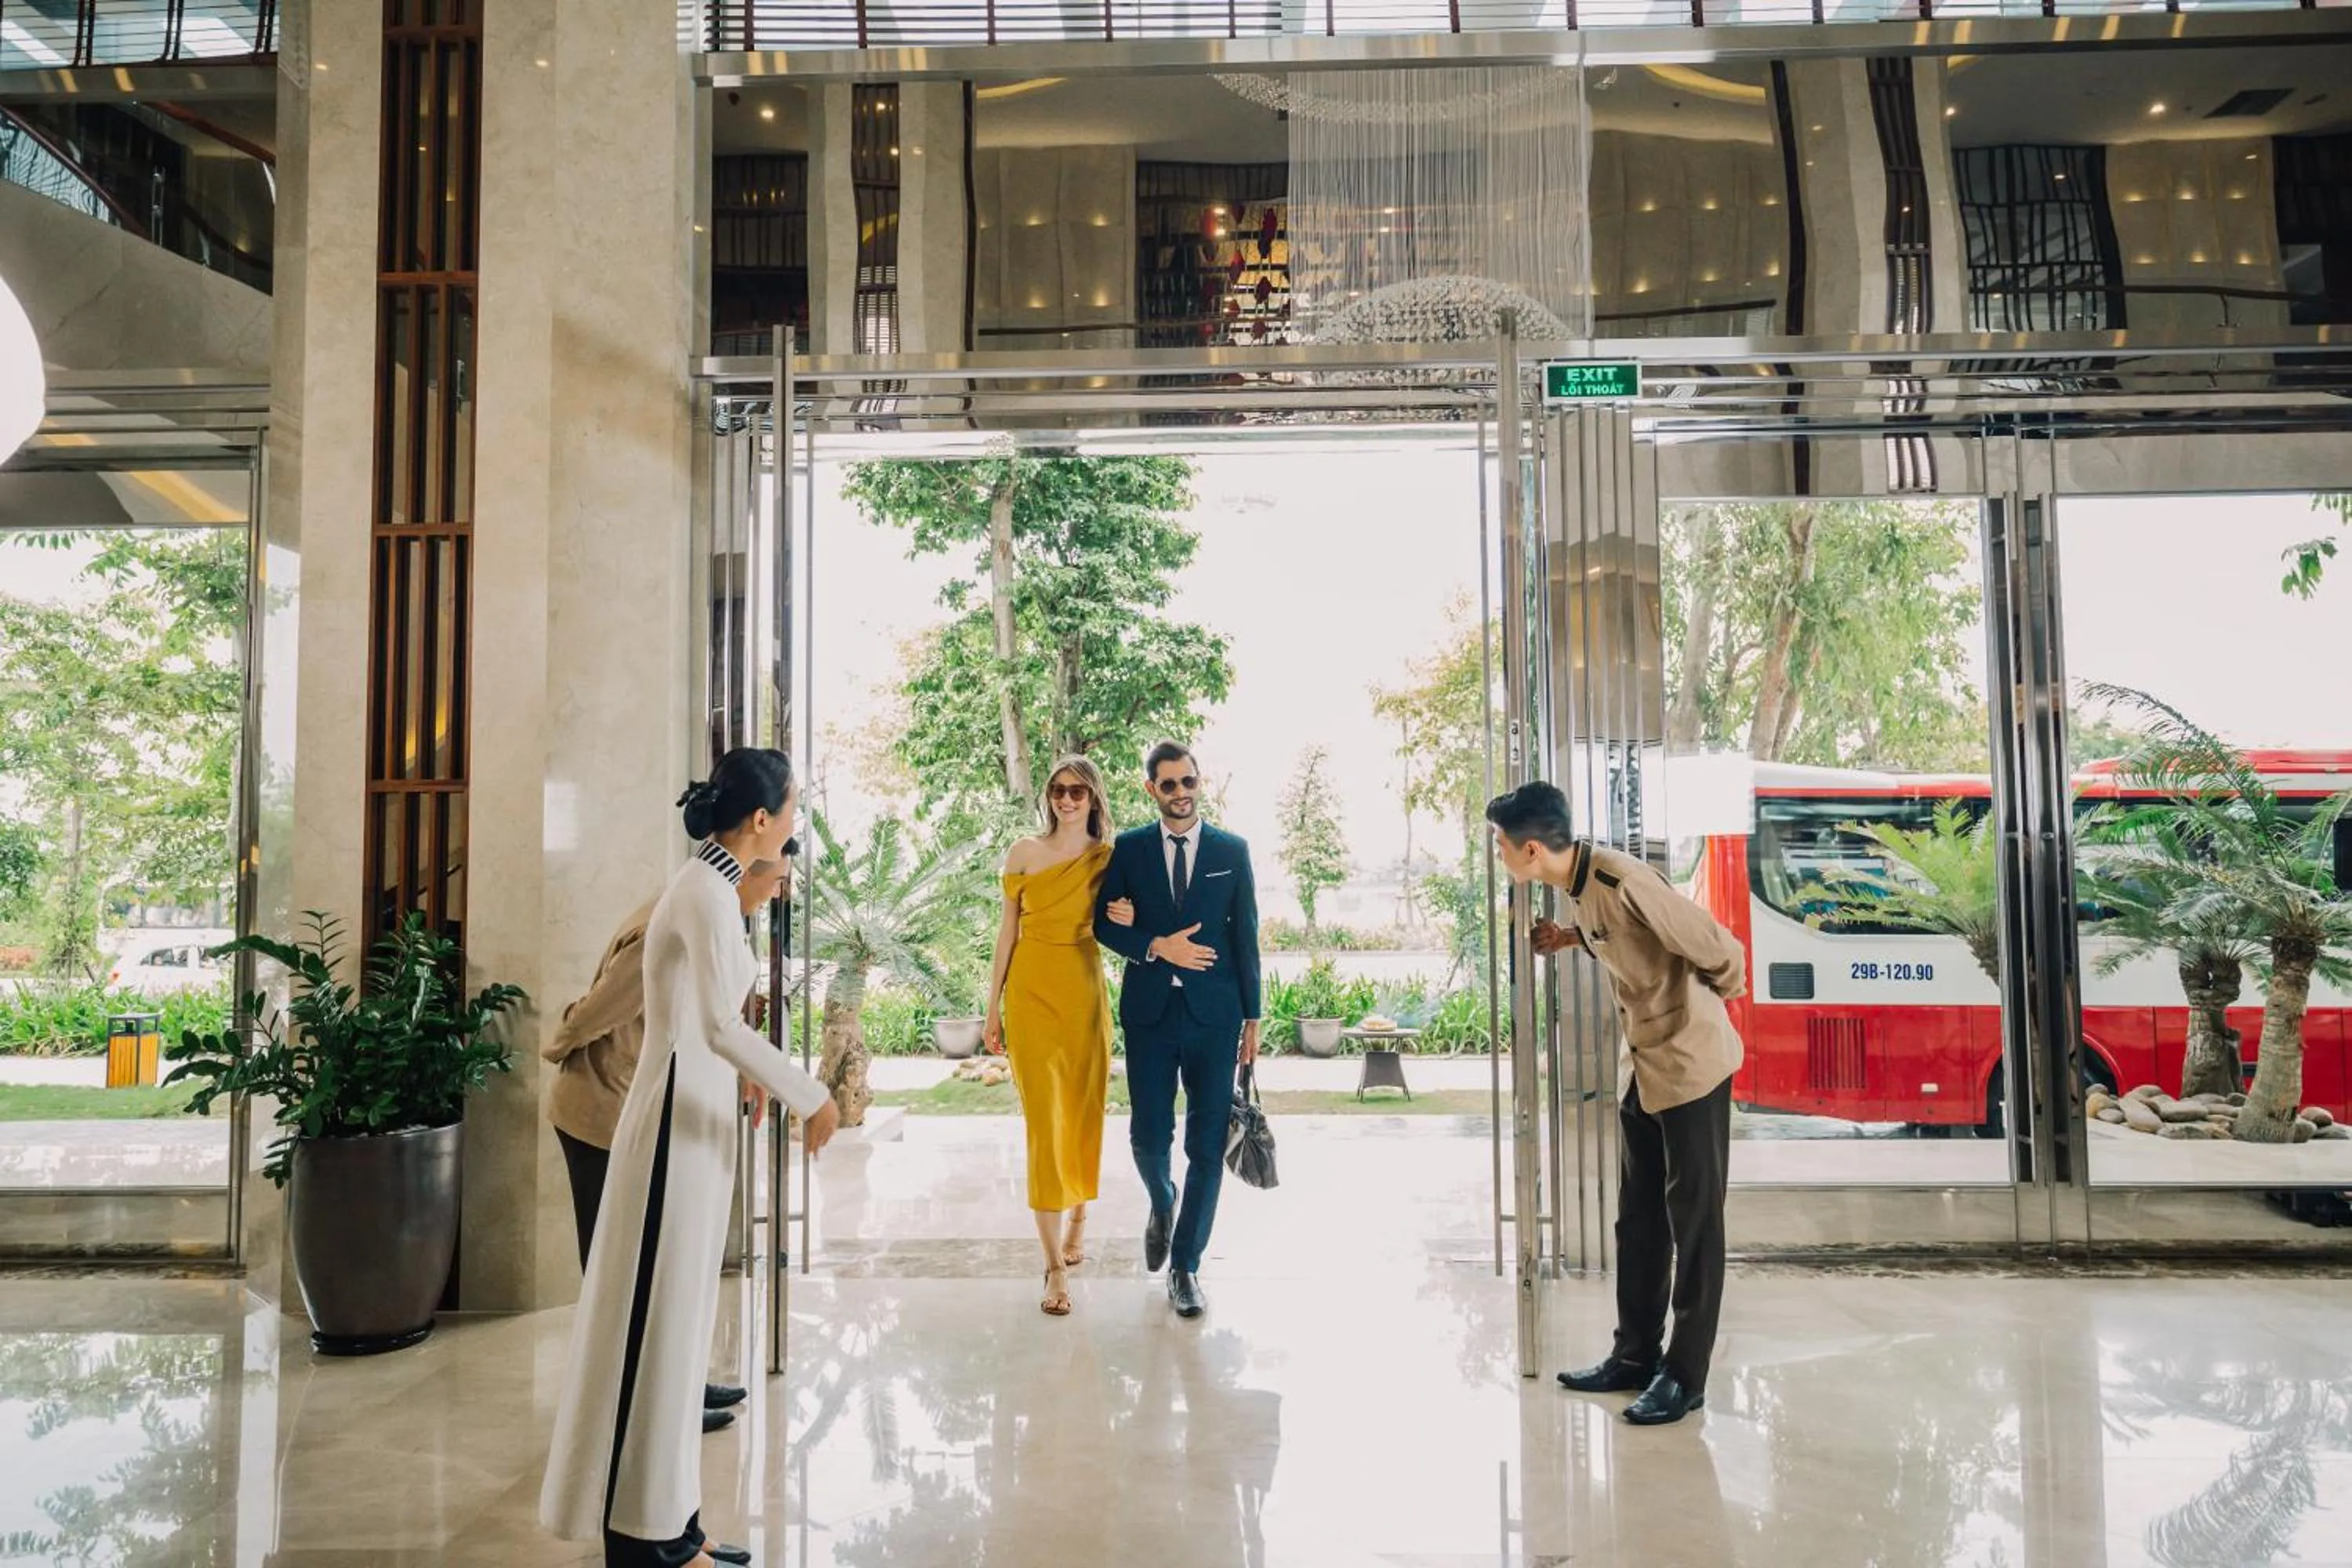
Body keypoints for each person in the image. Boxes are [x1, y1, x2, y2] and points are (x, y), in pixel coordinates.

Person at [543, 748, 842, 1568]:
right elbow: (716, 1025)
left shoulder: (715, 888)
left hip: (696, 1128)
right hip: (672, 1132)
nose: (793, 823)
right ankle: (644, 1539)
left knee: (677, 1337)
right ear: (759, 820)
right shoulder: (705, 893)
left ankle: (676, 1523)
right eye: (791, 809)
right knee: (655, 1334)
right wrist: (808, 1093)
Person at [1486, 779, 1747, 1428]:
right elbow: (1619, 930)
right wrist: (1570, 939)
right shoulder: (1581, 884)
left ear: (1530, 850)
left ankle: (1685, 1379)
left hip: (1691, 1067)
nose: (1498, 854)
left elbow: (1722, 951)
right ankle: (1634, 1357)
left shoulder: (1621, 876)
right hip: (1646, 1069)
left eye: (1501, 844)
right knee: (1638, 1220)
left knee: (1696, 1226)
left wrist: (1703, 1009)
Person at [543, 856, 791, 1436]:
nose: (779, 892)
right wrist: (560, 1043)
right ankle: (629, 1407)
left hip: (641, 1109)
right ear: (747, 872)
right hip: (600, 1113)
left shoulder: (713, 914)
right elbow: (598, 1011)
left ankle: (672, 1388)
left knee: (657, 1265)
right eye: (777, 880)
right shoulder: (674, 916)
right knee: (623, 1269)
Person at [1093, 742, 1262, 1321]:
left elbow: (1246, 939)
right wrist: (1153, 945)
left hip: (1215, 1019)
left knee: (1207, 1146)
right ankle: (1162, 1201)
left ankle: (1186, 1266)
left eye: (1188, 781)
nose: (1181, 792)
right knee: (1148, 1136)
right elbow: (1102, 925)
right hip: (1149, 1018)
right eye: (1168, 785)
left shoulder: (1231, 851)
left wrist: (1254, 1017)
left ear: (1199, 780)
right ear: (1152, 790)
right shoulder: (1131, 850)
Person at [984, 755, 1127, 1317]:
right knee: (1045, 1124)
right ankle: (1052, 1267)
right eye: (1058, 790)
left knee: (1084, 1110)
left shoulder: (1109, 859)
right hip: (1031, 995)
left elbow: (1126, 921)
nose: (1066, 800)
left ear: (1094, 798)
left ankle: (1079, 1219)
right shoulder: (1023, 851)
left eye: (1077, 792)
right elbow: (1006, 933)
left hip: (1085, 993)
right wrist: (991, 1007)